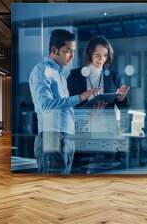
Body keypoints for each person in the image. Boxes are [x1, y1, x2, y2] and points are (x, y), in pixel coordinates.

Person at [29, 29, 100, 174]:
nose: (72, 56)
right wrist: (80, 97)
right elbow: (46, 105)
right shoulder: (42, 70)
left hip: (67, 136)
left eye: (73, 51)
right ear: (55, 50)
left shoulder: (60, 75)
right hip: (51, 136)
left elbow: (64, 110)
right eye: (68, 51)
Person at [67, 36, 129, 108]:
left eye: (105, 55)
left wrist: (121, 98)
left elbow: (122, 107)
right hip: (82, 118)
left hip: (107, 118)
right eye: (97, 55)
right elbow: (67, 103)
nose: (101, 59)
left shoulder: (114, 76)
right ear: (90, 54)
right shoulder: (75, 75)